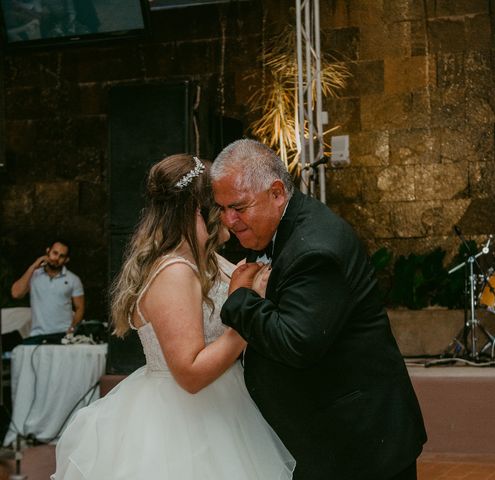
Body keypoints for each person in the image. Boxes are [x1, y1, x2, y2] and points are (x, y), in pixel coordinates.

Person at [52, 154, 294, 479]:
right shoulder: (174, 273)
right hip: (182, 421)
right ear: (200, 209)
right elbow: (190, 373)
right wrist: (248, 314)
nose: (230, 216)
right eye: (222, 206)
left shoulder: (207, 261)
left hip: (225, 407)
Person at [211, 139, 427, 480]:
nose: (229, 220)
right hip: (323, 438)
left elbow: (297, 342)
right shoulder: (270, 230)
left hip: (357, 443)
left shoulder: (315, 249)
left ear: (278, 193)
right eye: (221, 208)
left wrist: (240, 298)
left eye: (238, 207)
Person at [11, 239, 85, 344]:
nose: (57, 258)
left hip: (63, 335)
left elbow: (80, 307)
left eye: (61, 256)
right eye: (55, 253)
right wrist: (33, 266)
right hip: (37, 335)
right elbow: (16, 294)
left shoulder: (73, 279)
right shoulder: (34, 275)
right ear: (48, 251)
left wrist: (72, 329)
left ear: (66, 260)